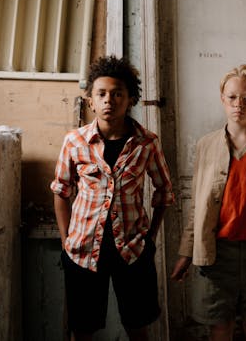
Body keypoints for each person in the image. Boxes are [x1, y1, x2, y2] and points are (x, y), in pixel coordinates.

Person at [51, 55, 175, 341]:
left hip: (132, 250)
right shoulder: (75, 142)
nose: (109, 100)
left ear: (130, 99)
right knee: (82, 329)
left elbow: (165, 192)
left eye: (118, 93)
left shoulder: (147, 143)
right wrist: (66, 240)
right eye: (102, 94)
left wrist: (150, 240)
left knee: (138, 326)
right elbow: (61, 191)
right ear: (91, 101)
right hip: (82, 251)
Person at [171, 64, 246, 341]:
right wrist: (186, 252)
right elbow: (198, 208)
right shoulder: (206, 145)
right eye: (233, 97)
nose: (239, 104)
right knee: (220, 327)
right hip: (216, 254)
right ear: (222, 99)